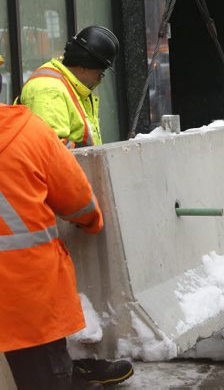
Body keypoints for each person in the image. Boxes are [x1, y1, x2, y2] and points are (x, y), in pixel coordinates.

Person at [0, 58, 133, 389]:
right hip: (26, 289)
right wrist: (90, 221)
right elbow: (78, 199)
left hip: (23, 291)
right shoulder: (28, 131)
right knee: (45, 377)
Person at [20, 26, 119, 148]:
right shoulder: (49, 90)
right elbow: (51, 148)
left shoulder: (73, 85)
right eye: (100, 73)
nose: (99, 79)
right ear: (83, 67)